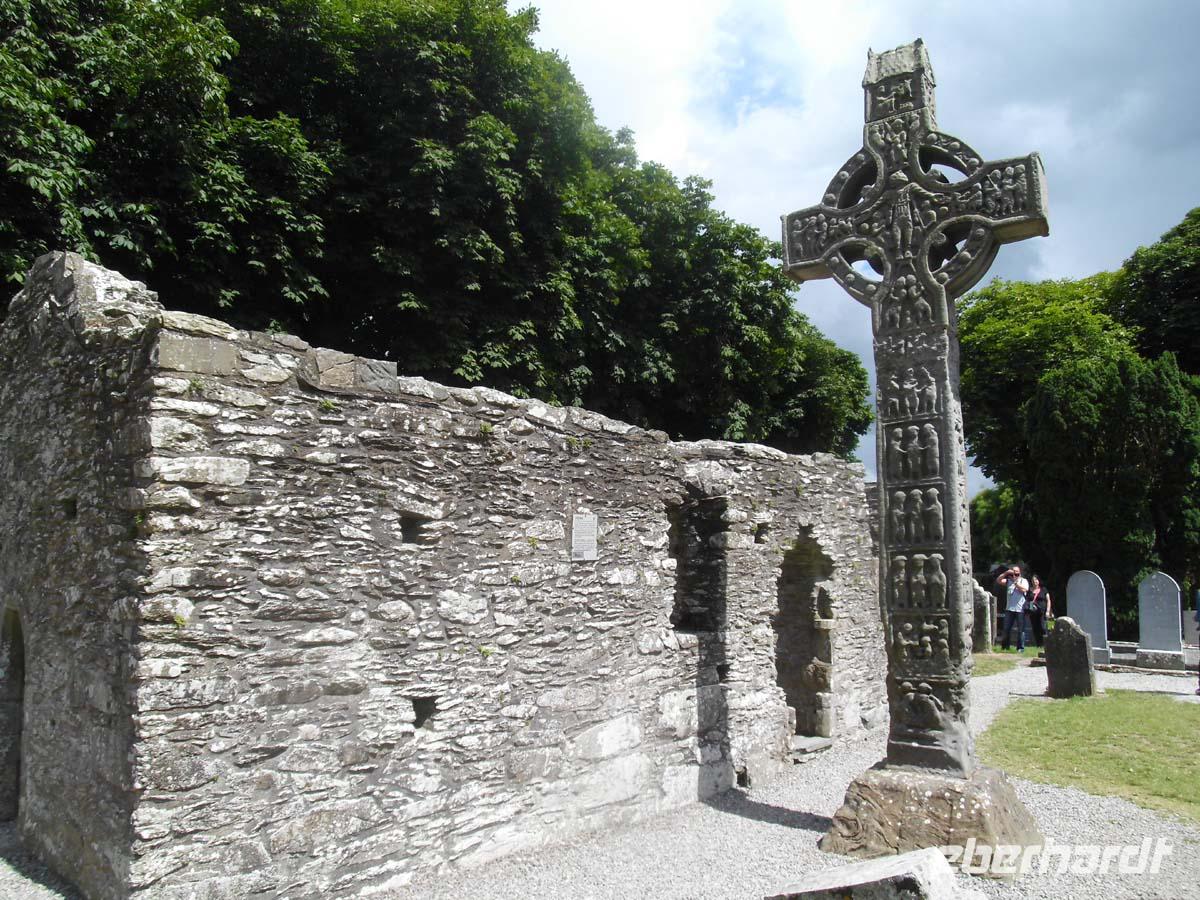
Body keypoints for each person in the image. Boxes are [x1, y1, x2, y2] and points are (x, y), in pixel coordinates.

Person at [996, 564, 1030, 652]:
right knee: (1006, 628)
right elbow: (998, 580)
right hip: (1009, 609)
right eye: (1013, 573)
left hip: (1020, 609)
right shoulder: (1008, 581)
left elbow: (1024, 590)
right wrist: (1006, 573)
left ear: (1020, 574)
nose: (1015, 575)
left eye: (1017, 574)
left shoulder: (1024, 581)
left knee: (1020, 630)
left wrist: (1016, 582)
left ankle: (1020, 648)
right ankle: (1005, 647)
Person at [1025, 575, 1052, 647]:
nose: (1035, 582)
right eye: (1033, 581)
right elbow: (1027, 600)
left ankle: (1046, 644)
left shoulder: (1043, 589)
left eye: (1036, 580)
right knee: (1035, 628)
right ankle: (1039, 644)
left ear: (1039, 581)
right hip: (1033, 612)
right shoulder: (1029, 590)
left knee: (1043, 627)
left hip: (1042, 612)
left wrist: (1048, 611)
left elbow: (1048, 600)